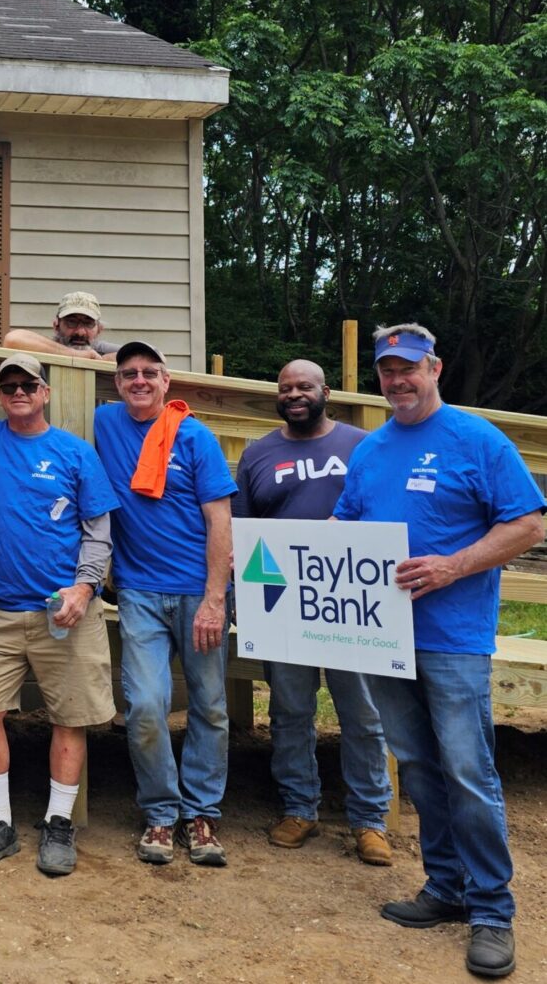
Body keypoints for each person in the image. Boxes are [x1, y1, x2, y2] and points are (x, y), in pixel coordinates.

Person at [333, 324, 545, 980]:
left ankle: (492, 910)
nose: (397, 380)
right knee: (420, 768)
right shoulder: (370, 452)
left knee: (468, 771)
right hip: (386, 639)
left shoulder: (477, 439)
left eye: (408, 368)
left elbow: (528, 523)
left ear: (435, 368)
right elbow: (343, 528)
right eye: (386, 371)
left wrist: (452, 567)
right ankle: (446, 887)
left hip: (454, 641)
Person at [0, 353, 118, 877]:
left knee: (70, 717)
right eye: (9, 386)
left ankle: (58, 823)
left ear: (44, 393)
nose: (18, 392)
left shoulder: (75, 451)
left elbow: (99, 531)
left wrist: (85, 589)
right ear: (0, 395)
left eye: (28, 385)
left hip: (66, 611)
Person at [233, 360, 392, 865]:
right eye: (285, 388)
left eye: (305, 387)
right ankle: (300, 807)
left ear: (326, 392)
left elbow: (384, 509)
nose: (294, 394)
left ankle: (370, 820)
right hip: (283, 603)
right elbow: (244, 531)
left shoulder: (362, 445)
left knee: (363, 715)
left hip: (348, 602)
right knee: (290, 711)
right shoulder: (258, 454)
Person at [93, 341, 235, 867]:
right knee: (147, 706)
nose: (139, 380)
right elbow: (21, 344)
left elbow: (220, 520)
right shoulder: (104, 425)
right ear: (117, 381)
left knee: (210, 705)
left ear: (167, 381)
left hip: (200, 591)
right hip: (138, 593)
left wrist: (215, 599)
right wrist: (93, 347)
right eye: (128, 373)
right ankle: (159, 811)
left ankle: (202, 813)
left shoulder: (195, 437)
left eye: (150, 372)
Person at [3, 291, 119, 362]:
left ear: (99, 329)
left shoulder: (101, 350)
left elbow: (137, 350)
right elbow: (12, 339)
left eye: (88, 323)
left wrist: (106, 361)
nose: (80, 332)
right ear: (56, 326)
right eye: (72, 322)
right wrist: (78, 355)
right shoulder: (43, 348)